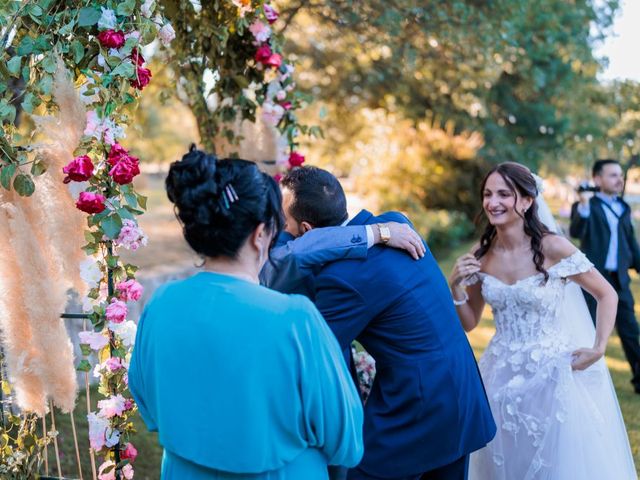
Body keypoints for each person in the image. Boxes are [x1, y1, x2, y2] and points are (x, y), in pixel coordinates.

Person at [128, 147, 364, 479]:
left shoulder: (160, 303)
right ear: (259, 235)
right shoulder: (296, 319)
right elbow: (346, 440)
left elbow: (149, 406)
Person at [274, 166, 496, 480]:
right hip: (463, 388)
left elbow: (322, 357)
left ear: (307, 229)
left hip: (416, 405)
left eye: (285, 223)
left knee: (360, 472)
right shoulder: (397, 224)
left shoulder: (342, 277)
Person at [450, 162, 637, 479]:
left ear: (526, 200)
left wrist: (598, 347)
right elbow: (469, 322)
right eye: (487, 194)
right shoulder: (481, 255)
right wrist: (455, 287)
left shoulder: (553, 247)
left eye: (504, 194)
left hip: (551, 375)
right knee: (505, 461)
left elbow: (608, 294)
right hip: (499, 376)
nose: (493, 202)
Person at [570, 158, 640, 394]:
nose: (619, 179)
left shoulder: (623, 206)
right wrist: (583, 203)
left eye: (620, 175)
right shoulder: (588, 205)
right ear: (597, 179)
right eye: (613, 175)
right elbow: (577, 231)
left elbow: (630, 241)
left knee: (631, 330)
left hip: (619, 280)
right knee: (590, 330)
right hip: (594, 281)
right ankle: (587, 380)